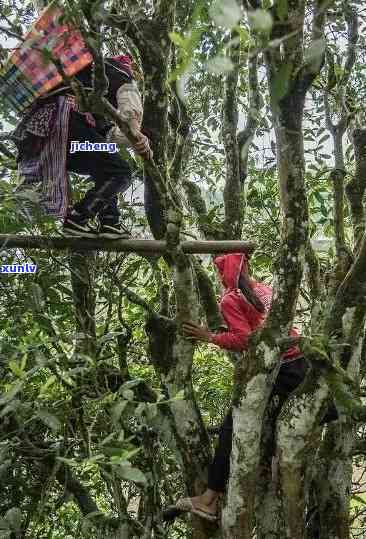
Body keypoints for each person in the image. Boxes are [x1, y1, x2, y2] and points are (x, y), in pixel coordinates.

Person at [174, 251, 311, 522]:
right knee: (278, 422)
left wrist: (210, 336)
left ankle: (209, 498)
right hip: (301, 362)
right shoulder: (264, 289)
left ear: (221, 274)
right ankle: (272, 467)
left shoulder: (230, 299)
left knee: (232, 426)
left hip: (279, 368)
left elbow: (245, 339)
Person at [12, 54, 151, 239]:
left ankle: (110, 220)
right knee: (121, 172)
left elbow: (108, 135)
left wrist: (136, 138)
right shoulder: (118, 70)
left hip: (44, 134)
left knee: (106, 166)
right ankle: (79, 217)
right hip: (65, 123)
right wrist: (137, 136)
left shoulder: (78, 77)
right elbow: (131, 110)